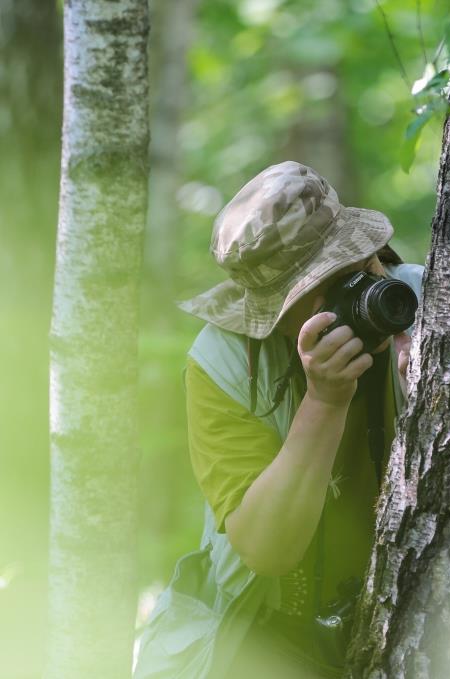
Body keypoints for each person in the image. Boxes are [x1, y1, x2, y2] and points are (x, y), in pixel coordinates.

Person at [133, 161, 423, 679]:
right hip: (272, 641)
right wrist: (324, 402)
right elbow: (266, 548)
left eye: (357, 267)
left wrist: (429, 387)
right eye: (324, 287)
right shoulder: (222, 364)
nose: (358, 293)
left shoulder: (427, 306)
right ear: (275, 314)